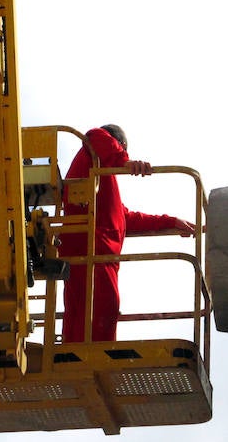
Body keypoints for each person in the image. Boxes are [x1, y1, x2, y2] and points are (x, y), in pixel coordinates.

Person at [58, 125, 195, 343]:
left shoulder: (101, 182)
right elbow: (95, 135)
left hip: (94, 253)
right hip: (92, 251)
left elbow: (126, 218)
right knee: (102, 307)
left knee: (86, 311)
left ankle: (74, 357)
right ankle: (92, 360)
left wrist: (171, 222)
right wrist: (124, 160)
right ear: (118, 144)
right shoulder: (93, 152)